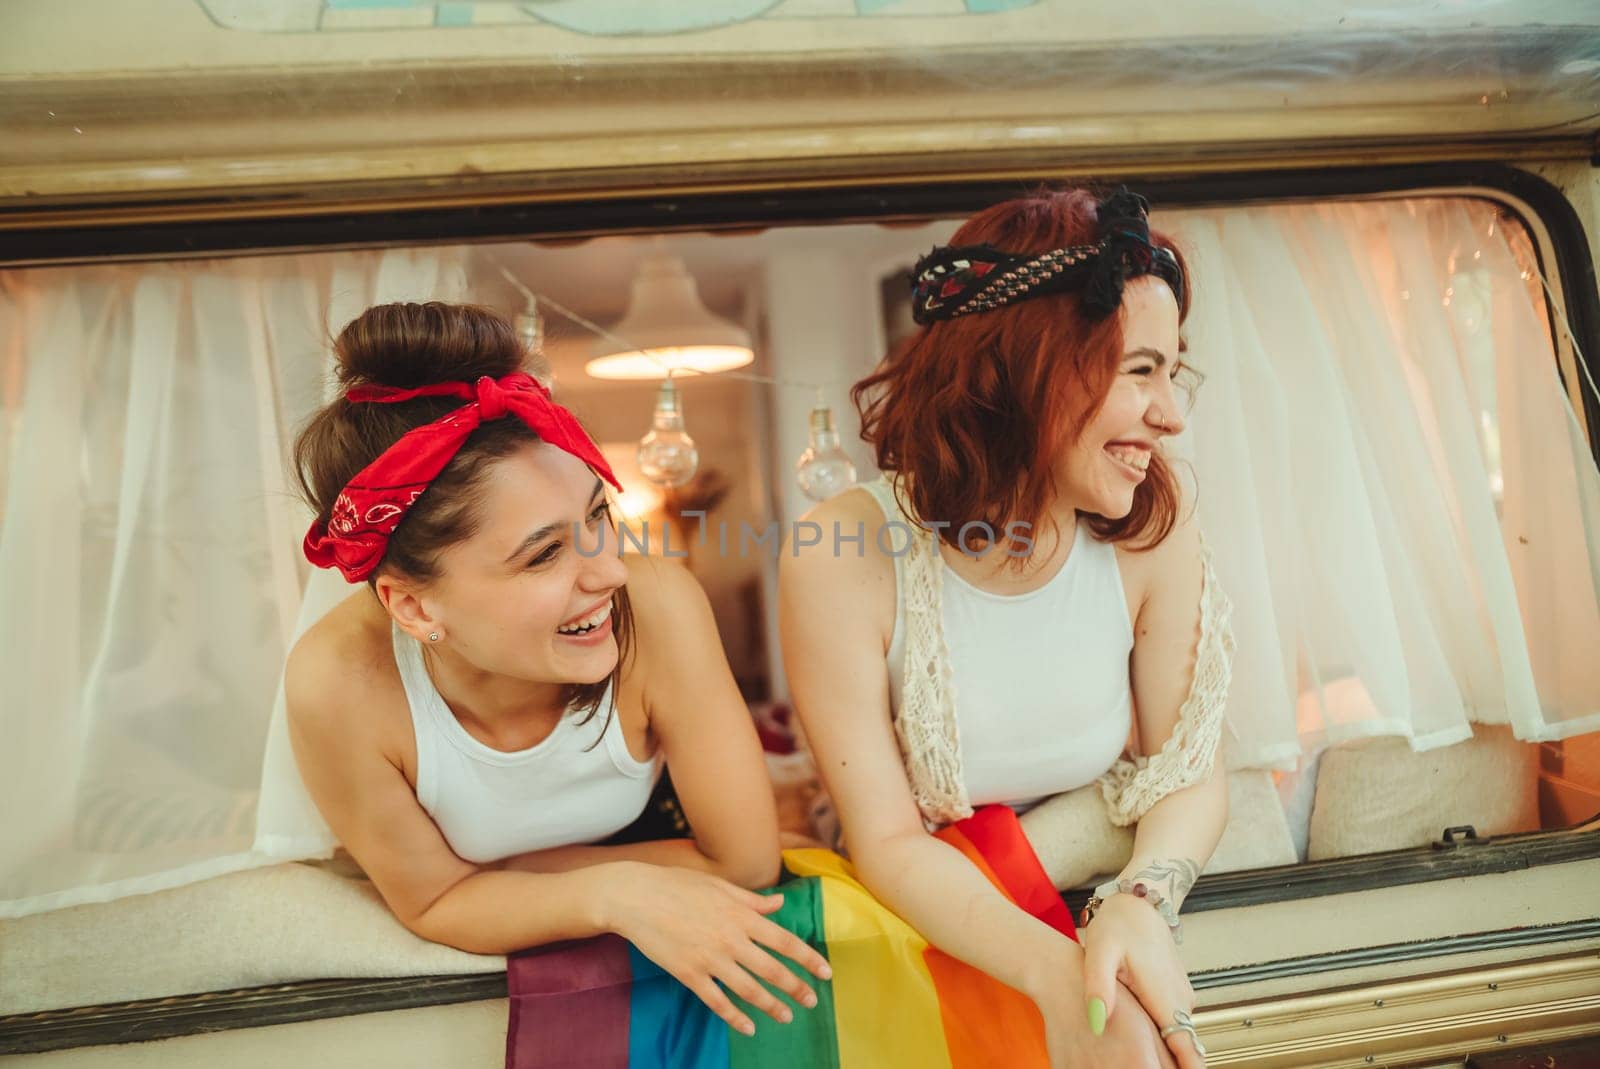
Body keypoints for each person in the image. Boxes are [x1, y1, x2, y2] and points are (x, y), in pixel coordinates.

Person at [286, 301, 831, 1038]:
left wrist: (493, 881)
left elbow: (744, 862)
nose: (611, 570)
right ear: (411, 607)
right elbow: (432, 905)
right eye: (544, 554)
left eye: (599, 515)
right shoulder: (337, 685)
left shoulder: (659, 605)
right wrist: (615, 889)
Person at [780, 189, 1232, 1068]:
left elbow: (1188, 773)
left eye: (1173, 373)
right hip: (916, 930)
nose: (1171, 415)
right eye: (1141, 371)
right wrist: (1062, 978)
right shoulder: (840, 551)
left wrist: (1139, 901)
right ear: (1033, 368)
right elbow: (888, 840)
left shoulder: (1156, 530)